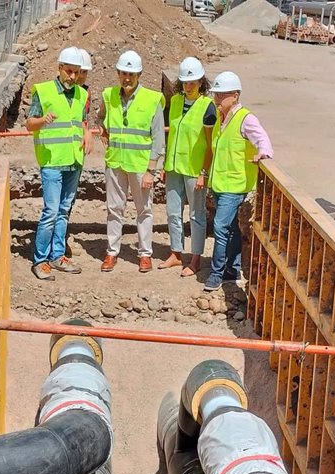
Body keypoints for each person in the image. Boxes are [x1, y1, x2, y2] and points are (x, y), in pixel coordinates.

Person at [26, 47, 92, 281]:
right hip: (52, 161)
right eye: (69, 71)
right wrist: (42, 121)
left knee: (64, 211)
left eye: (76, 72)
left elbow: (82, 122)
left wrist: (88, 133)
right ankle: (41, 260)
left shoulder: (82, 95)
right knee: (51, 211)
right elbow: (29, 124)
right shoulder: (43, 92)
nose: (72, 77)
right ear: (60, 68)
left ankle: (58, 255)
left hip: (74, 160)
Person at [97, 50, 166, 273]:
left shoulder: (152, 99)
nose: (127, 78)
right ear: (118, 73)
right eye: (124, 73)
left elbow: (158, 138)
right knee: (114, 209)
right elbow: (100, 117)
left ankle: (145, 254)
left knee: (144, 209)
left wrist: (151, 170)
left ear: (139, 75)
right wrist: (103, 130)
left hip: (140, 165)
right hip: (115, 163)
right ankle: (112, 251)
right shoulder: (108, 96)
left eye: (132, 74)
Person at [204, 71, 273, 292]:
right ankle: (231, 269)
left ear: (235, 95)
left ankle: (216, 273)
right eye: (216, 95)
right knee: (231, 228)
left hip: (234, 185)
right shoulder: (220, 117)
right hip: (219, 184)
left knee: (220, 227)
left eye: (221, 95)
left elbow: (262, 138)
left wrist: (263, 153)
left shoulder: (245, 119)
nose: (217, 99)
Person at [159, 57, 216, 277]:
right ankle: (176, 253)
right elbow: (171, 135)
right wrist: (165, 163)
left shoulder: (207, 106)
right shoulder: (174, 102)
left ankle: (195, 258)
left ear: (201, 81)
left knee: (196, 214)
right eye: (185, 82)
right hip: (174, 167)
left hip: (194, 170)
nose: (188, 86)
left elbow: (210, 144)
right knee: (173, 212)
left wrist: (204, 172)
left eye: (192, 82)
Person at [64, 48, 94, 259]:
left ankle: (61, 238)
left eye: (84, 73)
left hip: (76, 153)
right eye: (78, 72)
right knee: (56, 202)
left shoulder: (84, 93)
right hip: (58, 153)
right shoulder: (61, 92)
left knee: (68, 200)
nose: (80, 77)